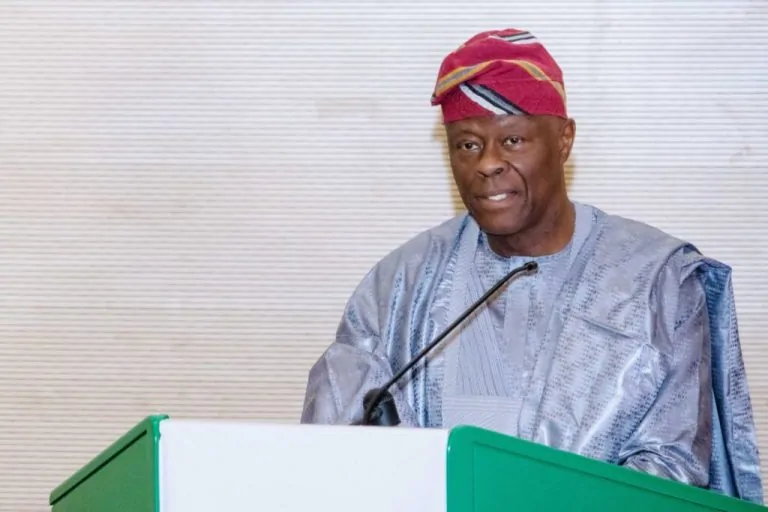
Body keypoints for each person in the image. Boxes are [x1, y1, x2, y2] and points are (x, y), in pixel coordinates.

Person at [299, 27, 763, 503]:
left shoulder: (655, 280)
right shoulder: (397, 285)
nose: (487, 163)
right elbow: (336, 450)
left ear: (564, 140)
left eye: (513, 140)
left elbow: (670, 467)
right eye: (467, 145)